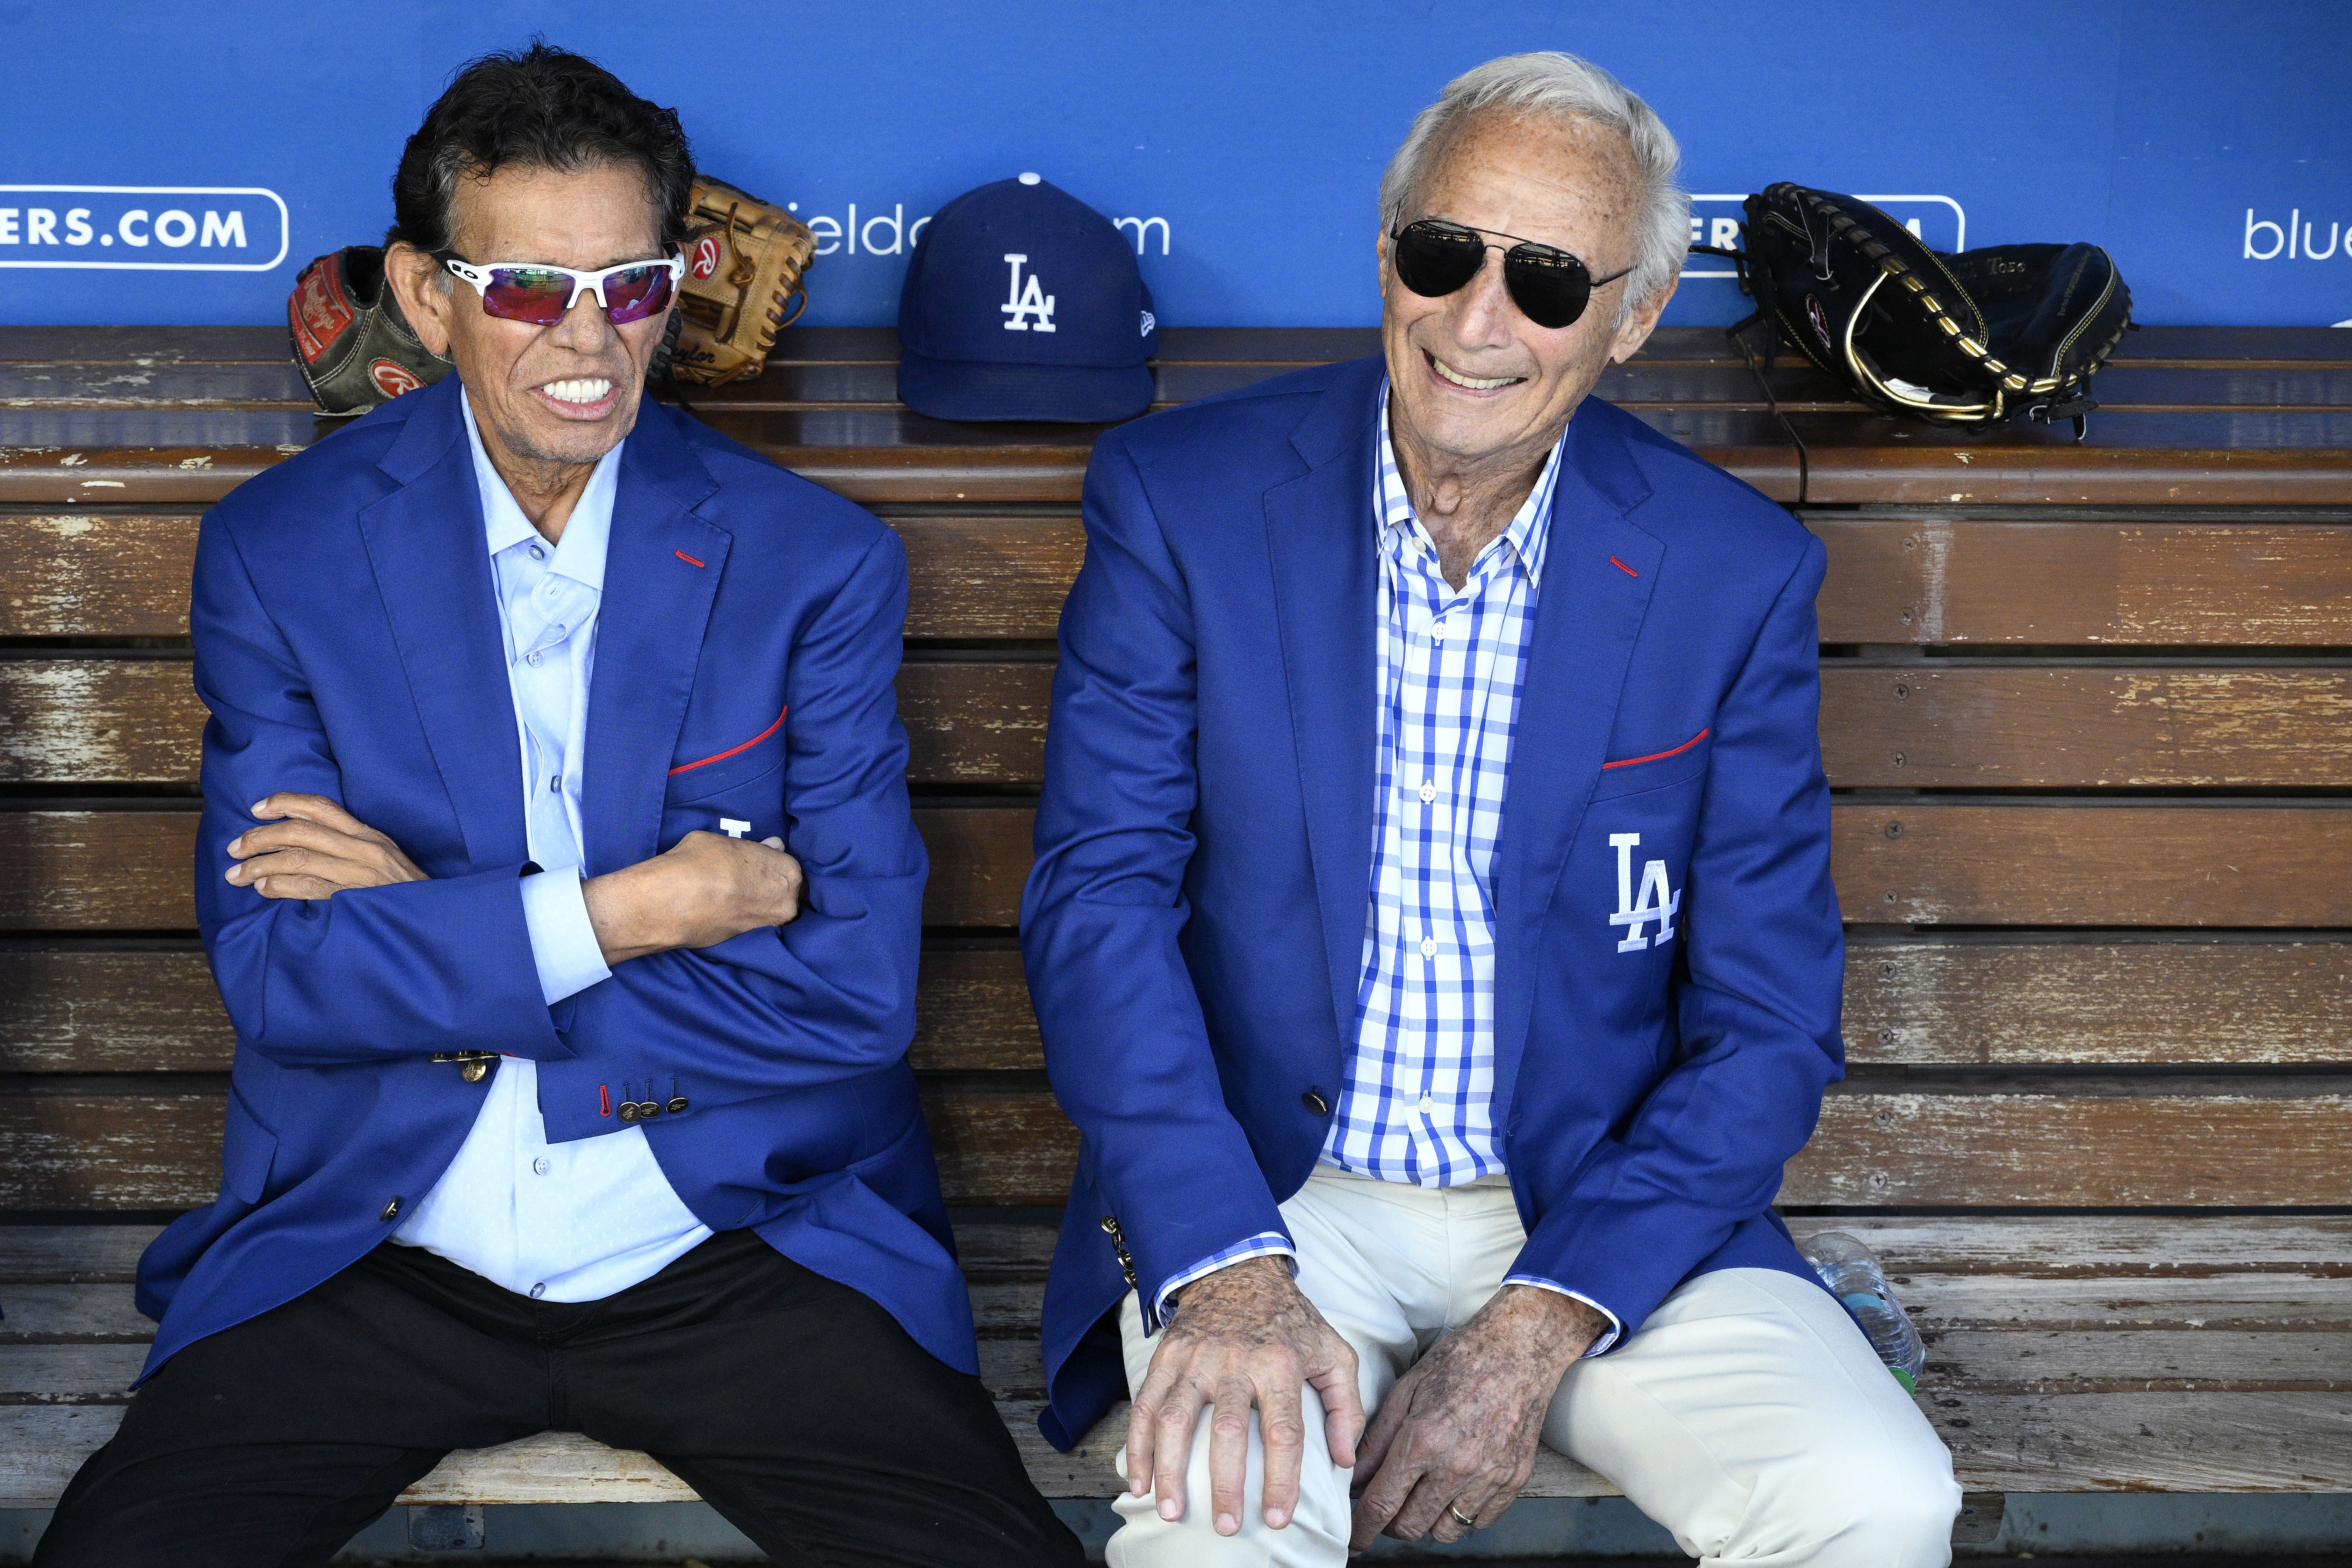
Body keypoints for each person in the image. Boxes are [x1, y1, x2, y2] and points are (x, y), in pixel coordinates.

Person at [35, 44, 1079, 1568]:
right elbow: (283, 979)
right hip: (379, 1238)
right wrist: (633, 913)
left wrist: (430, 926)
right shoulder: (283, 550)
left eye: (629, 285)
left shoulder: (812, 562)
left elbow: (855, 996)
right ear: (428, 293)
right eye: (526, 287)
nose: (587, 338)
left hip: (736, 1232)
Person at [1022, 50, 1962, 1568]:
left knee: (1874, 1497)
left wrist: (1539, 1323)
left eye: (1548, 281)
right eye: (1444, 253)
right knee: (1218, 1533)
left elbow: (1772, 1020)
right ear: (1384, 251)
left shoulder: (1729, 572)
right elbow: (1099, 909)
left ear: (1633, 317)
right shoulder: (1183, 500)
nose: (1477, 321)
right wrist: (1226, 1265)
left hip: (1597, 1204)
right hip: (1274, 1194)